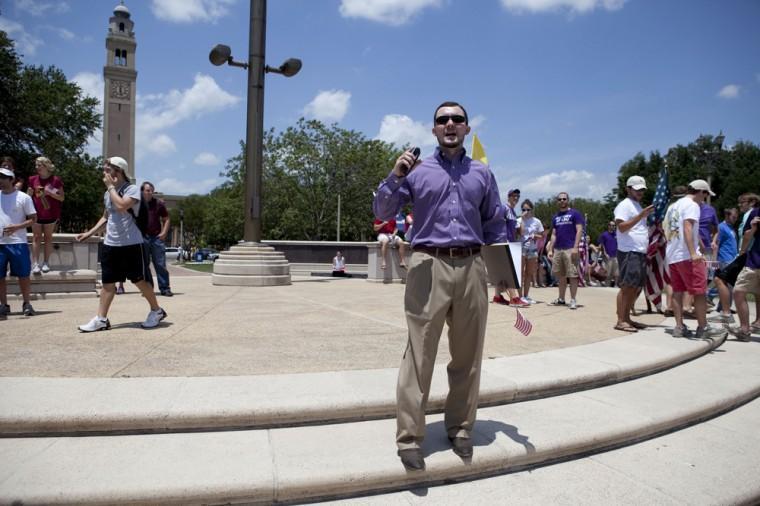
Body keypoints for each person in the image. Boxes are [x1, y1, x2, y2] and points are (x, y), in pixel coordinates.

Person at [373, 101, 507, 470]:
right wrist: (396, 175)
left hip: (471, 264)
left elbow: (495, 224)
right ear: (433, 130)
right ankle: (410, 437)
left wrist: (503, 275)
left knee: (468, 353)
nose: (449, 124)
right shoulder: (416, 172)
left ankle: (461, 427)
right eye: (442, 120)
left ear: (466, 128)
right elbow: (383, 213)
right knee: (420, 352)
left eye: (457, 119)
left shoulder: (482, 173)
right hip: (427, 263)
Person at [75, 157, 167, 332]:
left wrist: (110, 187)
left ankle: (157, 311)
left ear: (119, 171)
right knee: (108, 283)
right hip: (111, 244)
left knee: (139, 281)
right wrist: (89, 233)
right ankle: (101, 319)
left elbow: (122, 205)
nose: (105, 174)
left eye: (108, 170)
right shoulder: (107, 194)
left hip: (132, 244)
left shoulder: (132, 189)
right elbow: (106, 216)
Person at [663, 179, 726, 339]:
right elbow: (687, 226)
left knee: (677, 291)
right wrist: (693, 252)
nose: (704, 200)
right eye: (705, 195)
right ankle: (703, 327)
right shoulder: (692, 205)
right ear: (700, 192)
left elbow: (669, 228)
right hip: (687, 255)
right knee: (699, 291)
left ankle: (679, 326)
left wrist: (699, 242)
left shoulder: (673, 206)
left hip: (673, 254)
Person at [613, 176, 654, 332]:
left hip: (639, 251)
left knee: (635, 287)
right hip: (629, 251)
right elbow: (622, 227)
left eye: (642, 190)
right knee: (627, 286)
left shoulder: (637, 206)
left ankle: (627, 318)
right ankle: (621, 320)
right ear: (628, 189)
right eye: (637, 190)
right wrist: (641, 216)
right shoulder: (624, 205)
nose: (640, 193)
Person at [0, 163, 37, 320]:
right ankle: (3, 305)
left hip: (18, 242)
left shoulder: (24, 198)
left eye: (3, 178)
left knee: (23, 275)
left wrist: (17, 227)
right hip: (0, 243)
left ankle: (26, 303)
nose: (0, 181)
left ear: (11, 179)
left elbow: (33, 219)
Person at [728, 201, 760, 341]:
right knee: (739, 291)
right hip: (754, 260)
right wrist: (753, 228)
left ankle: (745, 329)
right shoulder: (756, 212)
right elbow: (746, 237)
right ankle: (745, 329)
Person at [27, 156, 64, 274]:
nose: (36, 167)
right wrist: (29, 193)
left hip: (51, 214)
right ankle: (35, 264)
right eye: (36, 165)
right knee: (36, 238)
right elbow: (28, 196)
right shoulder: (32, 179)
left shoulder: (56, 180)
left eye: (39, 165)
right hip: (36, 213)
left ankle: (46, 263)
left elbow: (62, 198)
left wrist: (50, 193)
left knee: (48, 238)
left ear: (46, 166)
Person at [547, 192, 584, 309]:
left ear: (568, 200)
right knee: (561, 276)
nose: (562, 201)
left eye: (564, 199)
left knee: (572, 275)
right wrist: (550, 249)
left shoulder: (575, 213)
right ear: (557, 201)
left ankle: (573, 300)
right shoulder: (555, 216)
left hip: (570, 248)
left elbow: (579, 230)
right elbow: (553, 234)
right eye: (560, 199)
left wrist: (575, 247)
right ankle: (561, 299)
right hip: (558, 249)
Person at [492, 188, 528, 307]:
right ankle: (514, 298)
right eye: (514, 196)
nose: (516, 198)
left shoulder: (512, 212)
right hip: (504, 243)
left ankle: (497, 296)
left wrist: (521, 218)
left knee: (503, 272)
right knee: (510, 271)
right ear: (508, 196)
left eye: (518, 196)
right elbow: (495, 223)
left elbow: (521, 232)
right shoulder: (504, 208)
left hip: (511, 243)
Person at [141, 182, 173, 297]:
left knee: (160, 264)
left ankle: (165, 288)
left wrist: (164, 232)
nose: (150, 192)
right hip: (142, 238)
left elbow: (167, 219)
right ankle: (148, 289)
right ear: (142, 191)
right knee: (144, 265)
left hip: (156, 238)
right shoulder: (137, 204)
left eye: (151, 190)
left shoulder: (159, 204)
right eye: (147, 190)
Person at [708, 207, 739, 324]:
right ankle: (711, 298)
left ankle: (723, 307)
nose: (735, 219)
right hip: (724, 259)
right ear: (727, 215)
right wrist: (714, 262)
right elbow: (716, 244)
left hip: (732, 259)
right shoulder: (721, 227)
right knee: (726, 285)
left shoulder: (731, 228)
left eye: (736, 217)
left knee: (727, 285)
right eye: (733, 217)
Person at [518, 199, 543, 303]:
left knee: (529, 273)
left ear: (531, 210)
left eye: (528, 209)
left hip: (532, 249)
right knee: (520, 273)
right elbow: (521, 232)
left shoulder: (536, 221)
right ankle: (519, 297)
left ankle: (526, 295)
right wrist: (522, 219)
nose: (526, 211)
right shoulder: (519, 220)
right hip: (521, 248)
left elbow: (541, 235)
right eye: (524, 209)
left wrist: (535, 235)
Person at [598, 221, 618, 287]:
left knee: (616, 272)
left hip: (616, 255)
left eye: (614, 225)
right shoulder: (604, 235)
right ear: (608, 226)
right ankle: (607, 286)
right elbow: (602, 245)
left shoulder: (616, 235)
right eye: (611, 225)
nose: (612, 226)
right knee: (608, 272)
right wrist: (605, 253)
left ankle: (616, 285)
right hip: (608, 256)